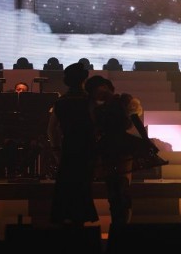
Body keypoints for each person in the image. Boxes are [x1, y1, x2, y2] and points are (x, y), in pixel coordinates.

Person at [84, 75, 167, 235]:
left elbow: (136, 121)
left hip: (119, 145)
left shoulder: (122, 101)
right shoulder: (99, 108)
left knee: (121, 187)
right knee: (113, 190)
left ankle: (121, 227)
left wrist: (147, 141)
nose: (96, 93)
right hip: (110, 146)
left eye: (96, 89)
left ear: (105, 86)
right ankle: (119, 226)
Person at [47, 62, 99, 226]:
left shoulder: (61, 102)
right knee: (82, 187)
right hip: (87, 148)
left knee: (65, 187)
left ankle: (65, 225)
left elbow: (51, 129)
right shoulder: (89, 101)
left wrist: (56, 150)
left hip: (68, 148)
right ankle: (79, 225)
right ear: (83, 80)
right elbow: (97, 125)